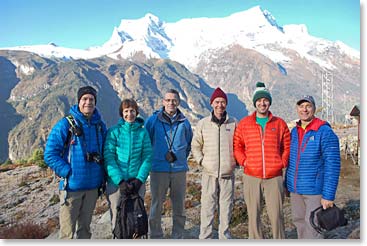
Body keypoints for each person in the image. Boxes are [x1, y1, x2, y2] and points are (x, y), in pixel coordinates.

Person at [44, 86, 107, 239]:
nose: (88, 102)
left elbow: (106, 151)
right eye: (84, 99)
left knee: (85, 230)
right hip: (72, 188)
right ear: (78, 101)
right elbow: (50, 154)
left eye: (91, 99)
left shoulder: (100, 126)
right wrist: (68, 172)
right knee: (67, 232)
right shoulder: (66, 124)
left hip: (93, 188)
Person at [233, 81, 290, 239]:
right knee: (253, 215)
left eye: (265, 100)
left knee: (277, 215)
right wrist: (244, 162)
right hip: (251, 176)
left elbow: (287, 145)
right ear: (254, 103)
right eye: (259, 100)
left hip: (274, 176)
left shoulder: (279, 124)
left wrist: (282, 162)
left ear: (269, 102)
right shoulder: (244, 124)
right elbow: (237, 146)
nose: (262, 103)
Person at [285, 95, 341, 239]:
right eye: (301, 106)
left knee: (313, 227)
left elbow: (333, 164)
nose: (304, 109)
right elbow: (292, 160)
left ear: (314, 109)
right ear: (297, 109)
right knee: (299, 223)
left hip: (314, 191)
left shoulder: (324, 132)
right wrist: (287, 183)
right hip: (296, 189)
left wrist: (328, 195)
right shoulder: (294, 132)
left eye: (308, 106)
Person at [144, 89, 193, 239]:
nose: (171, 103)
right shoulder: (152, 121)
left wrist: (180, 158)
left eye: (174, 100)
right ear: (163, 102)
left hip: (178, 170)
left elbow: (188, 143)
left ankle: (178, 235)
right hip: (158, 169)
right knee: (156, 204)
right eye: (168, 100)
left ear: (178, 102)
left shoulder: (184, 122)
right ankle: (156, 236)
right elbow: (147, 141)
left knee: (179, 205)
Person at [191, 87, 237, 239]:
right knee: (207, 207)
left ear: (226, 104)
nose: (220, 105)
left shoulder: (233, 124)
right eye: (217, 102)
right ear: (211, 104)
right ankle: (205, 237)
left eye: (223, 102)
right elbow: (195, 145)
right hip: (209, 172)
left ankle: (224, 236)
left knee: (226, 207)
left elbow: (239, 145)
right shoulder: (203, 123)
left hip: (227, 173)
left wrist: (234, 162)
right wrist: (202, 161)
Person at [103, 98, 152, 235]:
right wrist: (120, 181)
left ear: (136, 113)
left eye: (132, 111)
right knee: (118, 218)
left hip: (137, 183)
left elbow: (147, 157)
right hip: (116, 184)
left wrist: (139, 179)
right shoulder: (114, 132)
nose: (129, 114)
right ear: (121, 113)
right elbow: (109, 158)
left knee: (137, 217)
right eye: (126, 111)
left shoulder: (143, 133)